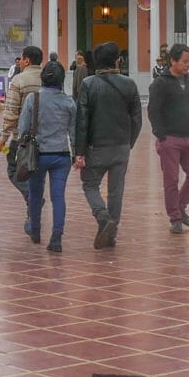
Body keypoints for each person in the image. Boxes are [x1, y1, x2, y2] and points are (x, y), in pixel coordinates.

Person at [74, 41, 142, 250]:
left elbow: (82, 120)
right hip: (121, 145)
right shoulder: (129, 84)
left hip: (97, 146)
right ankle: (112, 231)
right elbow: (137, 119)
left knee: (90, 184)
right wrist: (129, 142)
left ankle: (103, 218)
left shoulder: (88, 84)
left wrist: (80, 152)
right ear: (117, 60)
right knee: (116, 190)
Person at [17, 58, 74, 252]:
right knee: (58, 196)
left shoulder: (34, 99)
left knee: (35, 193)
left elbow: (22, 128)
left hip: (38, 155)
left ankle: (35, 229)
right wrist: (78, 154)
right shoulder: (69, 102)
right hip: (62, 155)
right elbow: (73, 133)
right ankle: (57, 236)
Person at [149, 42, 189, 235]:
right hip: (170, 139)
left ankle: (181, 207)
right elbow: (153, 110)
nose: (187, 65)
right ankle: (174, 217)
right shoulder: (161, 83)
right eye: (184, 61)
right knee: (171, 179)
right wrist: (161, 134)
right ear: (172, 61)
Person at [0, 45, 44, 156]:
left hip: (22, 139)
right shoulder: (47, 78)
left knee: (16, 170)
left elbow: (11, 111)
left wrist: (3, 138)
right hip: (44, 140)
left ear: (27, 61)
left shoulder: (19, 79)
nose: (20, 62)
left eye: (21, 59)